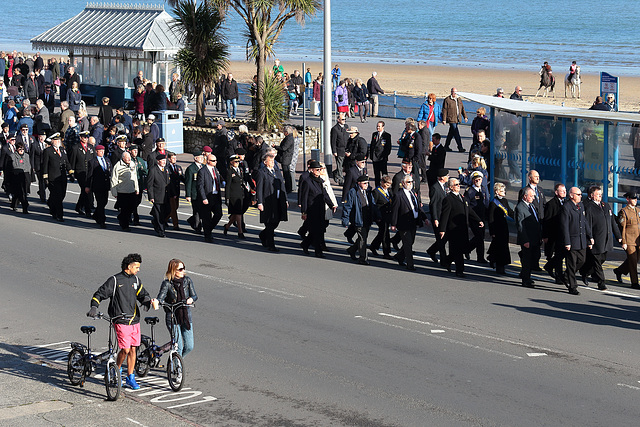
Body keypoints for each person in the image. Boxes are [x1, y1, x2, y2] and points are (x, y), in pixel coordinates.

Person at [88, 253, 155, 390]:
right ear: (128, 266)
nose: (138, 269)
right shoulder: (114, 280)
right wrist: (94, 307)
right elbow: (99, 294)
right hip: (120, 320)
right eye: (136, 266)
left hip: (134, 320)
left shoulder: (136, 280)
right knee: (125, 349)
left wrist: (148, 301)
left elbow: (143, 295)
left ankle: (130, 377)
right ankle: (116, 371)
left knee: (133, 350)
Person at [579, 186, 621, 290]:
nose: (600, 196)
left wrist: (618, 236)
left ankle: (585, 272)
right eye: (598, 194)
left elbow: (612, 222)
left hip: (606, 239)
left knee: (602, 259)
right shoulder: (589, 207)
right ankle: (601, 283)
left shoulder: (605, 205)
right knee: (597, 262)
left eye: (601, 194)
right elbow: (587, 224)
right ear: (592, 195)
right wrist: (589, 238)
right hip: (596, 240)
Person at [440, 177, 482, 277]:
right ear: (451, 187)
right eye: (456, 185)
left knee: (463, 248)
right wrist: (442, 229)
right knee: (458, 251)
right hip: (454, 229)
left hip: (463, 228)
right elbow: (445, 215)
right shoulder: (448, 199)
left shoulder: (462, 197)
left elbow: (469, 210)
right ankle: (459, 271)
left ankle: (447, 260)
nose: (459, 186)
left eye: (459, 184)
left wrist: (478, 220)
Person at [156, 259, 198, 357]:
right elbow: (160, 298)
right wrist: (158, 302)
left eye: (184, 268)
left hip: (186, 316)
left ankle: (178, 360)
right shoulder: (167, 283)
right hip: (172, 317)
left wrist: (191, 299)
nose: (183, 271)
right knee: (178, 346)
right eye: (180, 269)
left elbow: (195, 295)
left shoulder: (187, 281)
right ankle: (176, 368)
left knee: (189, 346)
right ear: (173, 270)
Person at [300, 160, 336, 257]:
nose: (319, 171)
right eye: (317, 170)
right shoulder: (307, 182)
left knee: (318, 230)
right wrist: (304, 212)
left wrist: (331, 204)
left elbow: (325, 194)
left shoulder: (320, 181)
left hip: (320, 209)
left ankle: (305, 244)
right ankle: (318, 251)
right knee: (316, 232)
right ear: (311, 170)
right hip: (312, 210)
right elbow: (304, 198)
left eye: (320, 170)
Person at [561, 187, 593, 295]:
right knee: (571, 264)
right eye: (578, 194)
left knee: (582, 260)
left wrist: (590, 236)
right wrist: (567, 242)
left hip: (581, 240)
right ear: (571, 195)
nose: (580, 196)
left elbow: (584, 222)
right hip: (572, 240)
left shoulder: (581, 206)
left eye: (580, 194)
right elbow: (564, 226)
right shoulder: (567, 207)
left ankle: (566, 276)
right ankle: (572, 286)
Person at [390, 174, 425, 271]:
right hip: (404, 223)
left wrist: (424, 218)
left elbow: (418, 206)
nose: (410, 184)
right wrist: (393, 224)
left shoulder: (412, 193)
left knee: (410, 242)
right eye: (408, 182)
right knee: (408, 243)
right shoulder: (399, 195)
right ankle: (410, 264)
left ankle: (399, 256)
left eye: (411, 182)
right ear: (403, 183)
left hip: (413, 222)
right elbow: (395, 211)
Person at [255, 152, 288, 252]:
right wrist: (259, 202)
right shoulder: (262, 172)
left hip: (278, 200)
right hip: (268, 201)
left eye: (273, 160)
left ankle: (263, 235)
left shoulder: (277, 172)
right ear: (265, 162)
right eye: (270, 160)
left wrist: (285, 199)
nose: (273, 162)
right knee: (269, 223)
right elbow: (259, 188)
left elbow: (282, 186)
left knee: (276, 221)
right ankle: (271, 245)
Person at [518, 170, 546, 270]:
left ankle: (535, 264)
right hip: (530, 223)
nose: (538, 178)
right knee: (529, 248)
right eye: (535, 176)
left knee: (537, 245)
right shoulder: (525, 190)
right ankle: (527, 268)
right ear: (530, 178)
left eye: (538, 176)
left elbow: (543, 205)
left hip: (539, 221)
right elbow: (521, 208)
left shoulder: (540, 190)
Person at [515, 187, 542, 288]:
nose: (533, 198)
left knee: (534, 258)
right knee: (527, 260)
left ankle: (527, 276)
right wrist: (525, 240)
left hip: (535, 238)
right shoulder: (520, 207)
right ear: (525, 196)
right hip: (527, 239)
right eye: (531, 196)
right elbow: (520, 225)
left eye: (534, 196)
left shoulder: (532, 206)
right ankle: (525, 280)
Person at [613, 192, 640, 289]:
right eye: (633, 199)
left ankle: (619, 271)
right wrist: (623, 242)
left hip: (638, 240)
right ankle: (634, 282)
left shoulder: (638, 210)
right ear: (628, 199)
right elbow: (622, 228)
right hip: (629, 240)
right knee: (632, 261)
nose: (635, 200)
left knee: (635, 259)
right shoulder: (624, 212)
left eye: (636, 199)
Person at [487, 182, 514, 274]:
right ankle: (500, 267)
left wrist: (518, 217)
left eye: (504, 190)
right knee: (500, 248)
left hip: (504, 227)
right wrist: (492, 231)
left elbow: (510, 212)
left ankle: (492, 257)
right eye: (502, 191)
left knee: (501, 246)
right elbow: (490, 218)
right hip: (497, 228)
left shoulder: (505, 201)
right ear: (497, 192)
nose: (504, 192)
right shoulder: (493, 203)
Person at [542, 184, 567, 283]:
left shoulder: (567, 203)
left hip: (563, 234)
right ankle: (558, 276)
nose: (564, 192)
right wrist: (545, 235)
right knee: (558, 255)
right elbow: (547, 220)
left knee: (561, 254)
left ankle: (549, 266)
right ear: (556, 192)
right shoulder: (551, 204)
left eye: (565, 191)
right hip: (554, 234)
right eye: (562, 191)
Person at [42, 133, 69, 221]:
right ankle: (59, 215)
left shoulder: (62, 149)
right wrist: (45, 177)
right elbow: (45, 164)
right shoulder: (48, 151)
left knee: (62, 195)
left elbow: (66, 161)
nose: (58, 142)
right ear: (52, 141)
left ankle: (51, 204)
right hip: (53, 177)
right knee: (57, 196)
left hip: (62, 177)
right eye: (56, 140)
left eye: (59, 140)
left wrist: (71, 171)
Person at [464, 171, 490, 263]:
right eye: (476, 180)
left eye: (479, 180)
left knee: (480, 237)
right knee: (479, 236)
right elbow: (467, 206)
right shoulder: (470, 191)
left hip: (482, 216)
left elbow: (486, 202)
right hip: (473, 217)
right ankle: (480, 257)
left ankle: (467, 249)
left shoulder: (483, 189)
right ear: (472, 181)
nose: (478, 181)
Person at [198, 154, 223, 243]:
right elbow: (200, 186)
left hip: (216, 195)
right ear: (208, 161)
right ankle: (207, 235)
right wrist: (203, 198)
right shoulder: (202, 171)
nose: (215, 162)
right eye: (213, 161)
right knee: (207, 217)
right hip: (207, 196)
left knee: (219, 214)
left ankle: (208, 230)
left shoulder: (215, 170)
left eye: (216, 160)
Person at [111, 152, 139, 231]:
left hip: (131, 190)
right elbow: (114, 179)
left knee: (132, 207)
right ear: (123, 158)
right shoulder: (118, 166)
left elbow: (135, 177)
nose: (129, 159)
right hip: (122, 191)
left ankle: (121, 217)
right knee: (125, 209)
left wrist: (137, 188)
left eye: (129, 157)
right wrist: (114, 192)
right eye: (127, 158)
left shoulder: (132, 164)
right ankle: (125, 225)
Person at [69, 131, 95, 217]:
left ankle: (79, 206)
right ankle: (88, 210)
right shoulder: (76, 148)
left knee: (86, 191)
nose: (86, 139)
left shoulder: (91, 147)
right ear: (80, 138)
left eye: (87, 137)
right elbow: (72, 161)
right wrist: (71, 172)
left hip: (89, 172)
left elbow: (94, 159)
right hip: (80, 171)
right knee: (85, 189)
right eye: (84, 137)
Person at [224, 154, 251, 238]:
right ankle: (240, 232)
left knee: (236, 214)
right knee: (238, 213)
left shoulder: (240, 170)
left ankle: (227, 226)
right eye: (235, 162)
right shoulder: (229, 172)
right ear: (231, 162)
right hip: (233, 195)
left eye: (238, 162)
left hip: (240, 194)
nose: (237, 163)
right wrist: (227, 197)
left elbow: (242, 181)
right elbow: (227, 185)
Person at [426, 169, 449, 265]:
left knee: (444, 238)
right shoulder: (435, 188)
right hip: (438, 217)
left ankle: (432, 250)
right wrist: (435, 218)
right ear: (442, 178)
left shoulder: (445, 186)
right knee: (440, 239)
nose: (448, 177)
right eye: (447, 176)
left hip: (444, 217)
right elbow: (433, 204)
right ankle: (444, 261)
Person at [86, 145, 111, 228]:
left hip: (105, 185)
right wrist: (87, 186)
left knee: (104, 202)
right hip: (97, 185)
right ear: (96, 152)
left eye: (103, 150)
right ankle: (102, 221)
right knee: (100, 203)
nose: (102, 152)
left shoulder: (107, 160)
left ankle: (96, 215)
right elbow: (89, 175)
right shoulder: (92, 161)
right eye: (100, 151)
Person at [369, 175, 393, 259]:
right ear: (382, 182)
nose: (388, 186)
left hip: (388, 216)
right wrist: (376, 216)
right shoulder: (376, 192)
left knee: (382, 232)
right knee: (385, 234)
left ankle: (373, 246)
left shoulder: (389, 191)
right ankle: (386, 252)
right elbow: (373, 205)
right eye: (386, 184)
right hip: (380, 216)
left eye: (389, 184)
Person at [147, 154, 171, 237]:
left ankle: (155, 222)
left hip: (166, 195)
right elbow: (149, 184)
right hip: (157, 195)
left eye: (165, 160)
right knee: (159, 214)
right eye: (162, 160)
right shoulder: (153, 170)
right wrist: (151, 196)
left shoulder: (166, 169)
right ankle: (161, 230)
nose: (164, 162)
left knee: (168, 211)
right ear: (158, 161)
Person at [441, 87, 468, 152]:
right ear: (451, 92)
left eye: (455, 92)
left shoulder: (459, 99)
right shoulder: (447, 100)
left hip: (457, 119)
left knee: (451, 133)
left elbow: (462, 109)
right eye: (453, 92)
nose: (454, 93)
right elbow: (444, 110)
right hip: (451, 119)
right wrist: (444, 119)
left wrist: (465, 117)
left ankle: (446, 146)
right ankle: (460, 147)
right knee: (456, 133)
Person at [185, 150, 204, 234]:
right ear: (195, 158)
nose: (202, 159)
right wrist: (188, 195)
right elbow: (188, 182)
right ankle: (197, 227)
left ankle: (191, 220)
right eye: (200, 157)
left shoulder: (203, 167)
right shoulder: (191, 168)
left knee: (202, 211)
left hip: (203, 193)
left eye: (202, 157)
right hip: (195, 193)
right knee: (196, 211)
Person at [8, 142, 31, 213]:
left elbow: (28, 166)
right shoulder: (12, 156)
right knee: (21, 193)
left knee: (22, 193)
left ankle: (14, 204)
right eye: (20, 149)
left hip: (25, 175)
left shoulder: (26, 156)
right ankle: (25, 206)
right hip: (17, 176)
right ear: (17, 149)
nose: (21, 150)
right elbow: (14, 166)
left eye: (23, 149)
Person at [369, 121, 392, 188]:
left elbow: (388, 147)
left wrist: (385, 156)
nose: (378, 127)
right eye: (377, 126)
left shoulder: (387, 135)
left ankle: (386, 187)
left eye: (379, 126)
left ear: (383, 127)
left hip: (382, 158)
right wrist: (371, 155)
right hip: (375, 157)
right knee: (376, 174)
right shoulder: (374, 134)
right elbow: (372, 145)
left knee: (384, 174)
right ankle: (377, 187)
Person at [274, 125, 296, 193]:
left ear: (287, 132)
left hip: (286, 158)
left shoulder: (289, 138)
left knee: (286, 174)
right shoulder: (289, 138)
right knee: (287, 173)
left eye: (284, 131)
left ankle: (288, 188)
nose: (283, 132)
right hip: (286, 157)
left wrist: (276, 147)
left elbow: (284, 148)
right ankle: (288, 187)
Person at [166, 152, 184, 230]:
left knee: (175, 207)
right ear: (169, 159)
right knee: (173, 208)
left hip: (177, 190)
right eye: (173, 158)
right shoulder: (167, 168)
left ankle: (163, 220)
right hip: (170, 190)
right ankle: (175, 225)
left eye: (175, 158)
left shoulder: (178, 167)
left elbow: (182, 178)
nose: (174, 160)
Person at [330, 112, 348, 185]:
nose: (344, 121)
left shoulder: (346, 126)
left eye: (345, 119)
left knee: (344, 165)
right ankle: (341, 180)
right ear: (338, 120)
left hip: (346, 149)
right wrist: (334, 151)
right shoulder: (335, 129)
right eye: (343, 119)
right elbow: (333, 141)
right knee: (340, 165)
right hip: (339, 150)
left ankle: (335, 173)